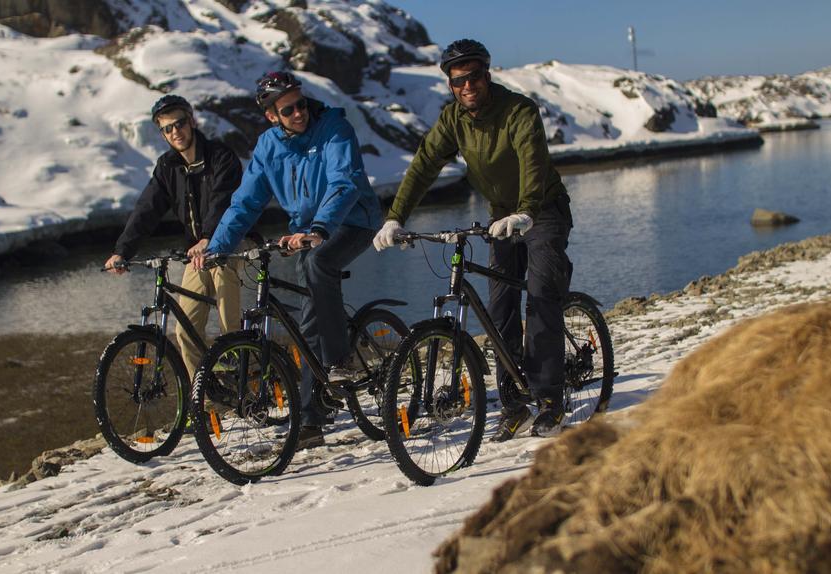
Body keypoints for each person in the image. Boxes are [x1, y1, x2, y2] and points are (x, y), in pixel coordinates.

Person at [373, 39, 574, 440]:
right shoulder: (454, 119)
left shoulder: (518, 110)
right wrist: (395, 218)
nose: (467, 86)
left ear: (487, 73)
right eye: (457, 81)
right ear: (450, 85)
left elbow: (533, 162)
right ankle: (514, 403)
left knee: (540, 295)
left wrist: (527, 212)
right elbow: (424, 165)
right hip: (502, 215)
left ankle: (550, 398)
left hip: (542, 210)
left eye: (474, 77)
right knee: (499, 309)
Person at [198, 71, 382, 450]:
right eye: (288, 109)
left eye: (301, 104)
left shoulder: (334, 128)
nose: (299, 113)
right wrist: (218, 246)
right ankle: (313, 421)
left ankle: (339, 362)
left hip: (352, 220)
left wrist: (320, 228)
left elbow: (344, 181)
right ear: (271, 116)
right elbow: (246, 201)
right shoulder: (268, 147)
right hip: (306, 232)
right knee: (306, 323)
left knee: (319, 268)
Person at [104, 95, 244, 380]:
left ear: (192, 121)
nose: (175, 132)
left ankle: (236, 351)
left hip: (231, 242)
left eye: (179, 124)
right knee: (186, 328)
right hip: (197, 253)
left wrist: (208, 238)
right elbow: (146, 209)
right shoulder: (168, 166)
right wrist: (123, 251)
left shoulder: (220, 156)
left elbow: (222, 200)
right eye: (167, 129)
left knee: (222, 274)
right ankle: (203, 400)